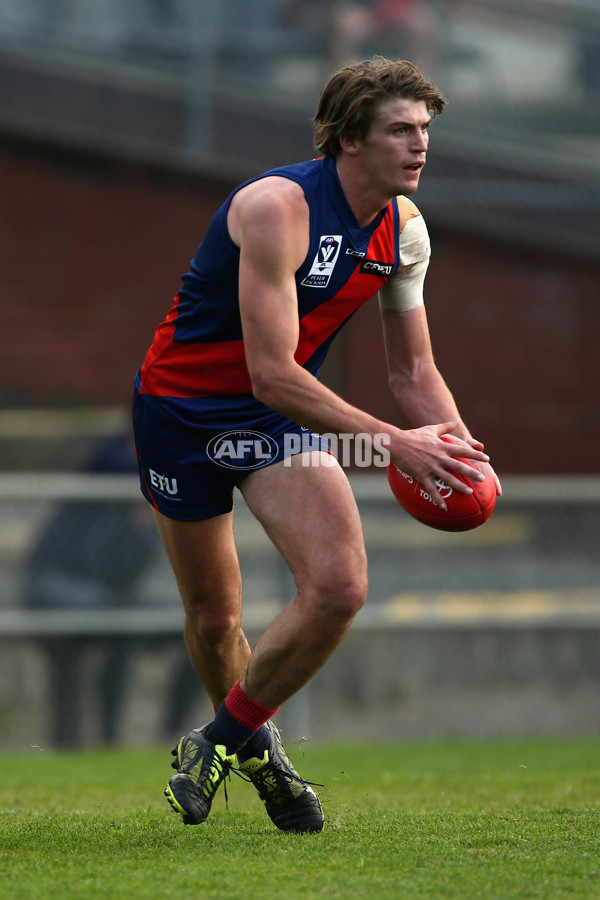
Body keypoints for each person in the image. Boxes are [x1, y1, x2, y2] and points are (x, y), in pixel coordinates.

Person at [132, 56, 501, 834]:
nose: (420, 145)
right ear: (350, 139)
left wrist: (460, 449)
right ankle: (262, 758)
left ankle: (220, 740)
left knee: (339, 586)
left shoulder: (403, 231)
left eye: (425, 130)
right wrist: (398, 445)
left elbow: (414, 371)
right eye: (401, 129)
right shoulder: (277, 207)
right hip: (184, 415)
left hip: (272, 427)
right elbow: (270, 373)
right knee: (211, 619)